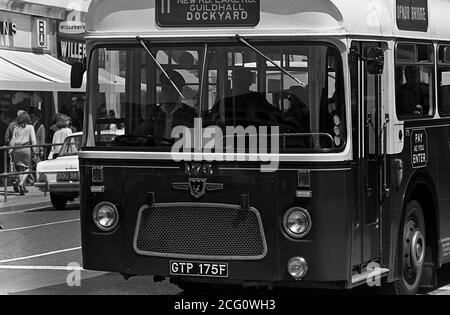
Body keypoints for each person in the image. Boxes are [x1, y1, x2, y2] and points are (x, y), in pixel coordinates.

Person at [135, 70, 196, 140]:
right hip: (159, 150)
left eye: (172, 89)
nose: (168, 93)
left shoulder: (188, 113)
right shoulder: (155, 112)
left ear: (179, 91)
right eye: (165, 89)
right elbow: (141, 132)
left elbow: (193, 138)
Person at [10, 112, 37, 195]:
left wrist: (10, 151)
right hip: (26, 148)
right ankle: (21, 183)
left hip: (16, 149)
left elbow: (13, 140)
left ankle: (20, 184)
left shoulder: (16, 128)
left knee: (21, 168)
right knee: (28, 167)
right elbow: (33, 140)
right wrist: (35, 151)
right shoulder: (30, 127)